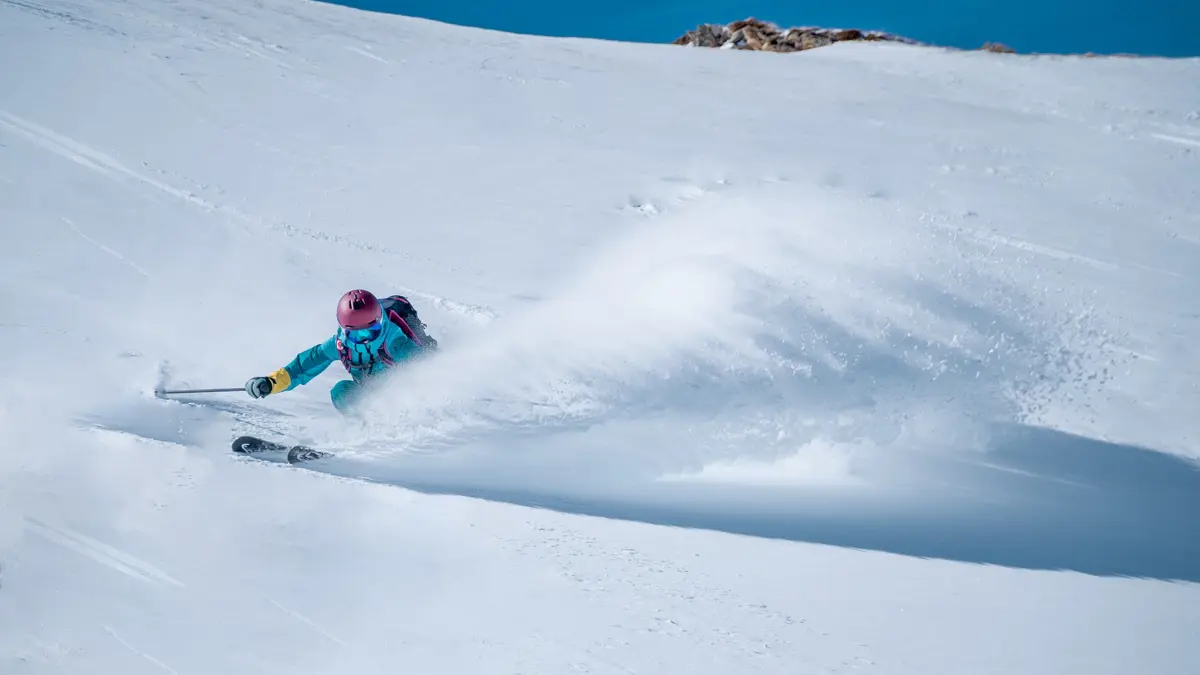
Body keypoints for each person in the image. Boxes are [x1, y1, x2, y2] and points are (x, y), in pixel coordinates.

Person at [245, 289, 437, 414]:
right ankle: (366, 432)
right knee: (341, 392)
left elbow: (430, 372)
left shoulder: (395, 343)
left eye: (371, 331)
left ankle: (392, 431)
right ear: (345, 329)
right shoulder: (341, 345)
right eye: (356, 334)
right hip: (372, 396)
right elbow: (302, 366)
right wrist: (271, 382)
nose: (363, 339)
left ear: (381, 323)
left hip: (400, 399)